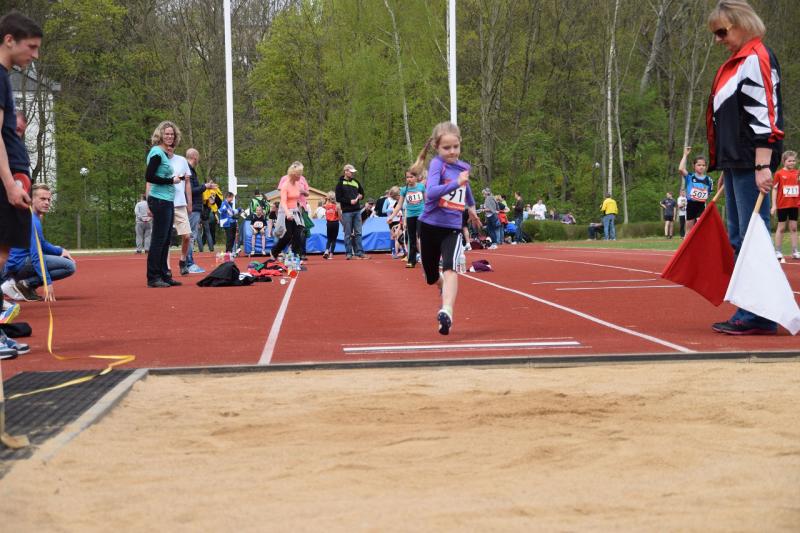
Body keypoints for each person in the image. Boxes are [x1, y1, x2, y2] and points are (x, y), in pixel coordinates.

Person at [707, 0, 783, 335]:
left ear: (742, 24)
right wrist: (725, 165)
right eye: (715, 33)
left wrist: (763, 163)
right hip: (736, 162)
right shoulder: (738, 61)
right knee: (740, 237)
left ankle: (759, 314)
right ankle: (752, 309)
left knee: (753, 237)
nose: (718, 39)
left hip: (752, 161)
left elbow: (766, 112)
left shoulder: (755, 58)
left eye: (722, 32)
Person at [414, 121, 482, 335]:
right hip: (429, 226)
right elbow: (431, 193)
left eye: (455, 147)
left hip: (452, 227)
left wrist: (471, 208)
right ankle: (441, 284)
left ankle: (447, 311)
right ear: (437, 147)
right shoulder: (437, 165)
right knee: (431, 277)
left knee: (451, 267)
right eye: (446, 148)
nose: (452, 151)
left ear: (460, 144)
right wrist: (455, 183)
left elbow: (467, 188)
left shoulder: (464, 167)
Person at [0, 13, 39, 346]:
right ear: (9, 40)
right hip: (6, 177)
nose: (35, 55)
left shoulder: (4, 77)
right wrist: (10, 183)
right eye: (32, 47)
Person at [1, 183, 75, 302]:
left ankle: (21, 284)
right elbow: (36, 255)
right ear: (32, 199)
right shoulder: (31, 221)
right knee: (69, 266)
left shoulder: (31, 216)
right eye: (42, 199)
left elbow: (42, 244)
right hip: (18, 265)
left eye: (49, 199)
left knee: (62, 259)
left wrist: (60, 250)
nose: (47, 202)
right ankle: (21, 284)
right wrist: (47, 282)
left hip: (16, 265)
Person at [144, 121, 184, 288]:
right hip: (159, 200)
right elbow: (149, 177)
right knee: (159, 239)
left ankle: (164, 274)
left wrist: (176, 179)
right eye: (167, 133)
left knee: (166, 239)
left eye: (172, 134)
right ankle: (153, 277)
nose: (169, 136)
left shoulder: (164, 153)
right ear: (160, 135)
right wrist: (170, 180)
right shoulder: (156, 152)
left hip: (167, 200)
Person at [387, 168, 426, 268]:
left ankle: (426, 258)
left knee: (421, 237)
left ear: (416, 178)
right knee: (411, 238)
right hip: (410, 216)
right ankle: (411, 260)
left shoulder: (421, 187)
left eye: (411, 177)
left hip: (421, 215)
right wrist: (392, 216)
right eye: (407, 177)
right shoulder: (404, 190)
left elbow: (427, 201)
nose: (409, 179)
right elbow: (399, 205)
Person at [166, 142, 193, 276]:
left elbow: (187, 182)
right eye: (166, 146)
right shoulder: (160, 160)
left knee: (187, 236)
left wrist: (190, 202)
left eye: (171, 146)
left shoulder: (182, 160)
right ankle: (167, 267)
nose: (169, 148)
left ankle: (182, 261)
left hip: (180, 203)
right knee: (166, 238)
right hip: (165, 202)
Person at [271, 161, 306, 260]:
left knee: (298, 233)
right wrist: (288, 213)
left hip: (295, 211)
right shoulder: (285, 185)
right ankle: (274, 252)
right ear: (294, 174)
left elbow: (299, 197)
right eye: (299, 174)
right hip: (286, 212)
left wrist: (301, 206)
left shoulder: (298, 184)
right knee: (287, 235)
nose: (300, 176)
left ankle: (296, 255)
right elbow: (283, 201)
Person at [185, 148, 211, 273]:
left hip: (193, 207)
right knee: (190, 236)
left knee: (189, 235)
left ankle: (186, 263)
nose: (199, 159)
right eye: (198, 157)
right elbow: (190, 190)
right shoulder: (188, 170)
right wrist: (204, 186)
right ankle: (189, 263)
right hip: (192, 207)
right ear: (195, 157)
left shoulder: (189, 170)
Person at [335, 164, 369, 259]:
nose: (353, 173)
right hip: (346, 212)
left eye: (353, 172)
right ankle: (349, 253)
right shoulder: (340, 184)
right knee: (348, 233)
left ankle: (360, 252)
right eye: (351, 172)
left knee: (358, 233)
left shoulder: (356, 182)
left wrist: (361, 196)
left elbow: (362, 193)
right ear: (345, 171)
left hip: (357, 211)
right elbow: (338, 198)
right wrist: (349, 201)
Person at [678, 146, 714, 233]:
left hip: (701, 205)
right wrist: (685, 155)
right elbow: (681, 169)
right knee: (689, 229)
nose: (701, 167)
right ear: (694, 166)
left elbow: (708, 194)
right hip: (691, 205)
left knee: (701, 227)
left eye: (703, 165)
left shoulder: (709, 180)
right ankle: (687, 239)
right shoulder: (690, 177)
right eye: (699, 165)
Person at [771, 151, 798, 260]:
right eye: (789, 161)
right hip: (782, 205)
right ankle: (778, 251)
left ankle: (795, 251)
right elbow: (774, 189)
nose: (792, 163)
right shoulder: (779, 174)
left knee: (794, 228)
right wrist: (774, 205)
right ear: (784, 161)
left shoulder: (797, 173)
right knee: (781, 228)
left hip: (794, 205)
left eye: (794, 161)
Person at [322, 192, 340, 259]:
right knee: (334, 239)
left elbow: (322, 205)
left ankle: (326, 250)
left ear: (329, 198)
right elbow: (340, 216)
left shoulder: (326, 206)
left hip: (329, 223)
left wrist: (326, 199)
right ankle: (331, 254)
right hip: (335, 223)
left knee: (329, 238)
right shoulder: (337, 206)